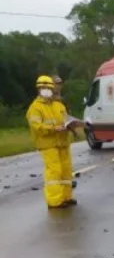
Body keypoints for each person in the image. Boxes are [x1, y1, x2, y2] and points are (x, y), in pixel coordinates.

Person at [26, 75, 80, 208]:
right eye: (44, 88)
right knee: (54, 172)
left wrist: (73, 127)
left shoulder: (58, 105)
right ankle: (54, 201)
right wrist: (54, 128)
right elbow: (37, 127)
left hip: (62, 143)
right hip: (48, 144)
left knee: (66, 170)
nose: (48, 91)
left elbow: (66, 120)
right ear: (38, 89)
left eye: (49, 88)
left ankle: (66, 196)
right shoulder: (35, 108)